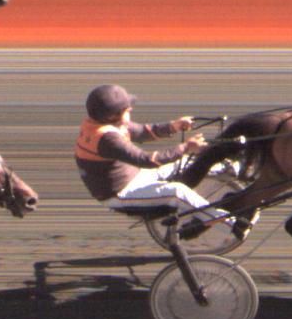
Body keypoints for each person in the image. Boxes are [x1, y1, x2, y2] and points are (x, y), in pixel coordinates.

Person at [73, 84, 220, 227]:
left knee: (188, 162)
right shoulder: (107, 139)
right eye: (127, 110)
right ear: (113, 115)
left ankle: (229, 170)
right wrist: (185, 147)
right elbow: (148, 160)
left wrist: (174, 126)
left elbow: (143, 132)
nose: (131, 110)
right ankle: (225, 220)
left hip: (137, 175)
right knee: (176, 191)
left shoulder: (103, 123)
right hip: (120, 194)